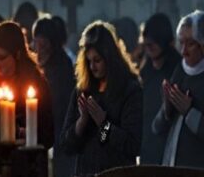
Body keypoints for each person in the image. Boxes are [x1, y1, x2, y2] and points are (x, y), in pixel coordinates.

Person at [151, 10, 204, 174]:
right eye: (180, 43)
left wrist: (189, 112)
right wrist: (167, 109)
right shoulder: (181, 70)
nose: (183, 51)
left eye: (190, 44)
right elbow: (157, 128)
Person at [0, 21, 54, 171]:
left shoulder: (36, 85)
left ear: (17, 54)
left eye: (2, 57)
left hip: (27, 168)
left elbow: (48, 135)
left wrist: (24, 132)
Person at [60, 21, 142, 177]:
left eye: (97, 60)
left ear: (109, 58)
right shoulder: (83, 91)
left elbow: (131, 146)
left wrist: (104, 125)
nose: (92, 67)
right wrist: (82, 122)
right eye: (89, 61)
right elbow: (67, 145)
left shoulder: (129, 91)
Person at [33, 17, 75, 177]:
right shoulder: (41, 68)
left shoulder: (61, 69)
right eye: (36, 44)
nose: (38, 50)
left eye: (43, 45)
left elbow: (59, 107)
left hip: (59, 136)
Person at [139, 13, 181, 165]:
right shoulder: (146, 70)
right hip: (147, 144)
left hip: (169, 145)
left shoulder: (178, 70)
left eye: (153, 43)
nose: (148, 47)